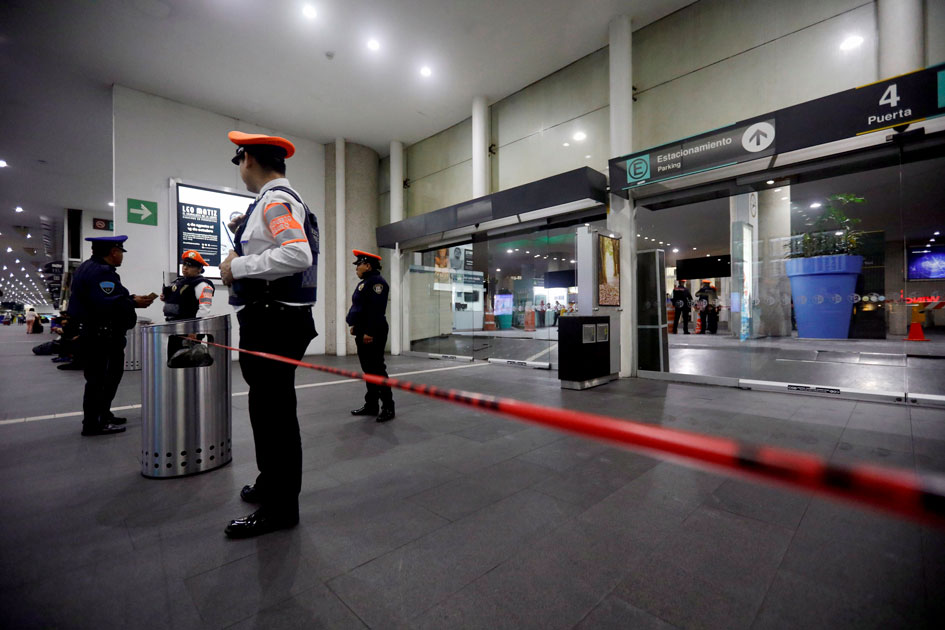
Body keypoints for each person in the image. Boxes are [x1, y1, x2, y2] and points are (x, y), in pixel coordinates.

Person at [219, 130, 319, 539]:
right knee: (266, 410)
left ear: (248, 160)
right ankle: (269, 484)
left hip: (273, 322)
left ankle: (281, 507)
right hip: (274, 320)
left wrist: (236, 267)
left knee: (274, 415)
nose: (240, 168)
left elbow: (298, 254)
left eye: (238, 160)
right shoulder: (271, 203)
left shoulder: (276, 201)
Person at [67, 235, 156, 436]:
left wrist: (130, 298)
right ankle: (94, 423)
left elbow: (106, 298)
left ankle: (103, 414)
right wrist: (134, 302)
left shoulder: (87, 267)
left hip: (95, 334)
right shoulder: (102, 273)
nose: (122, 257)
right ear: (114, 252)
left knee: (100, 378)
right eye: (121, 252)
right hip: (103, 336)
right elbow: (107, 303)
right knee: (102, 379)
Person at [347, 249, 395, 423]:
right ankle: (372, 405)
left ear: (367, 265)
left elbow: (375, 311)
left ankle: (388, 407)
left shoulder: (377, 283)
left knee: (376, 369)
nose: (356, 269)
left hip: (373, 331)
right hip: (364, 329)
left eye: (358, 265)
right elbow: (360, 308)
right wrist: (356, 326)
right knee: (369, 370)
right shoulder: (367, 282)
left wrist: (368, 332)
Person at [161, 250, 214, 321]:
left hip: (189, 327)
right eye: (184, 264)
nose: (185, 268)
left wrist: (196, 329)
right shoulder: (179, 282)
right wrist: (166, 298)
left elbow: (204, 310)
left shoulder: (202, 285)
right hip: (172, 323)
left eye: (190, 266)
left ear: (199, 269)